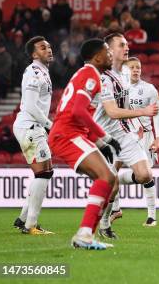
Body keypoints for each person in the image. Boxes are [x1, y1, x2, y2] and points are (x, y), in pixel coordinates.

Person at [48, 39, 122, 250]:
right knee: (107, 177)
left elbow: (81, 111)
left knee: (111, 181)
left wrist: (100, 142)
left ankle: (87, 235)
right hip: (67, 134)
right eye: (107, 51)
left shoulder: (87, 74)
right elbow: (77, 111)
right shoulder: (90, 74)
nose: (110, 55)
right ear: (97, 57)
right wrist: (105, 138)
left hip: (72, 133)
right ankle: (84, 234)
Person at [93, 33, 159, 239]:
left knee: (145, 175)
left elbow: (125, 104)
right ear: (110, 50)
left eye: (127, 44)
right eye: (122, 45)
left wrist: (136, 124)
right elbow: (112, 111)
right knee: (110, 190)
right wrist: (142, 113)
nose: (126, 47)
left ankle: (115, 179)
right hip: (105, 136)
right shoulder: (103, 77)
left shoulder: (123, 74)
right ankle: (104, 224)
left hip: (125, 132)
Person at [109, 57, 159, 227]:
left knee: (145, 176)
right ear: (125, 70)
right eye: (132, 67)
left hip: (145, 137)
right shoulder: (118, 89)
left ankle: (152, 216)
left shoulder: (149, 89)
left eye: (138, 67)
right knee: (110, 172)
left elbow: (157, 114)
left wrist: (158, 137)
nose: (136, 70)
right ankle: (116, 209)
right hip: (123, 135)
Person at [12, 37, 55, 235]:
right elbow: (30, 105)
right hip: (30, 126)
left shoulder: (43, 72)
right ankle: (31, 225)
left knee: (46, 171)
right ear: (34, 54)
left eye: (49, 46)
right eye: (43, 47)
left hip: (34, 126)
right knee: (43, 173)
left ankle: (22, 219)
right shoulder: (33, 72)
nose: (48, 49)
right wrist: (49, 125)